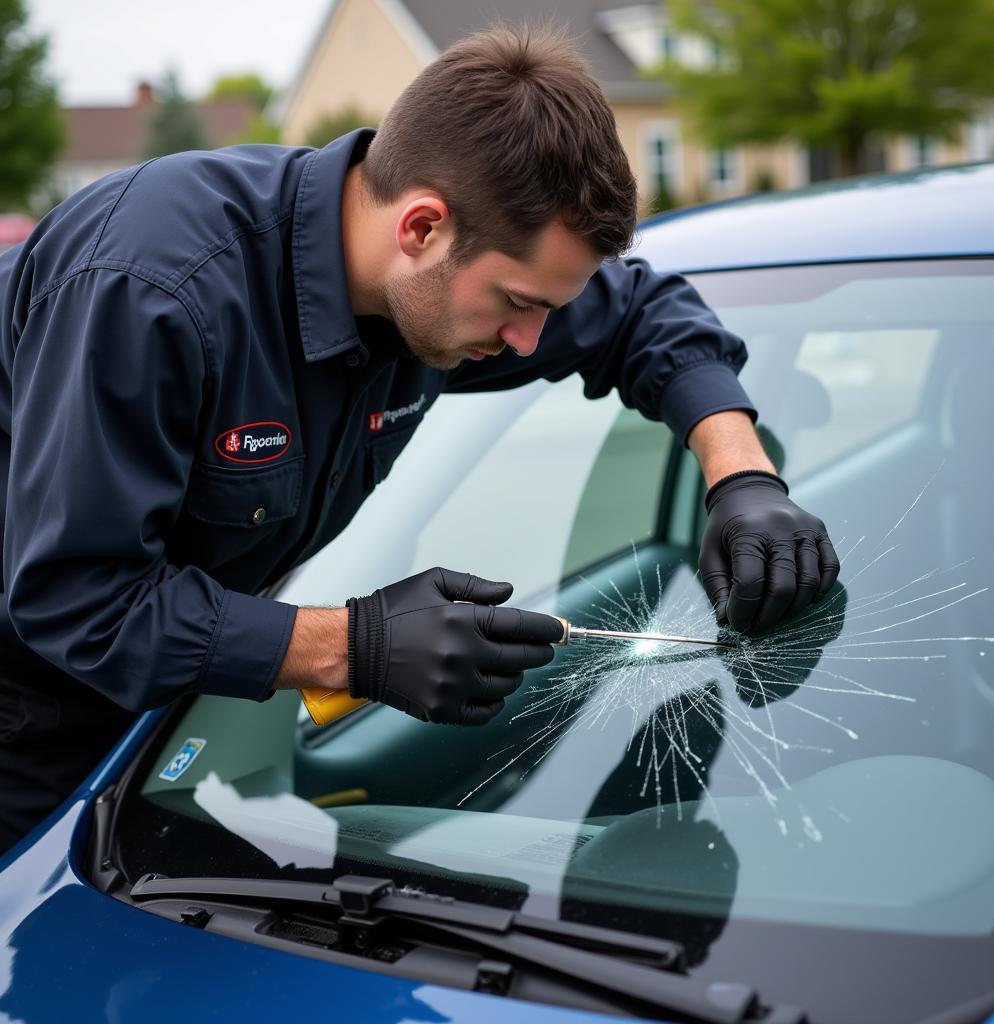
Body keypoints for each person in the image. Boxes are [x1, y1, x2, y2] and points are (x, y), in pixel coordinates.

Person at [0, 26, 838, 852]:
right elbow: (78, 598)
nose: (528, 340)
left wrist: (744, 481)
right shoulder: (152, 293)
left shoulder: (451, 277)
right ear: (422, 228)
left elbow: (644, 316)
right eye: (518, 304)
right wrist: (355, 646)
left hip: (155, 709)